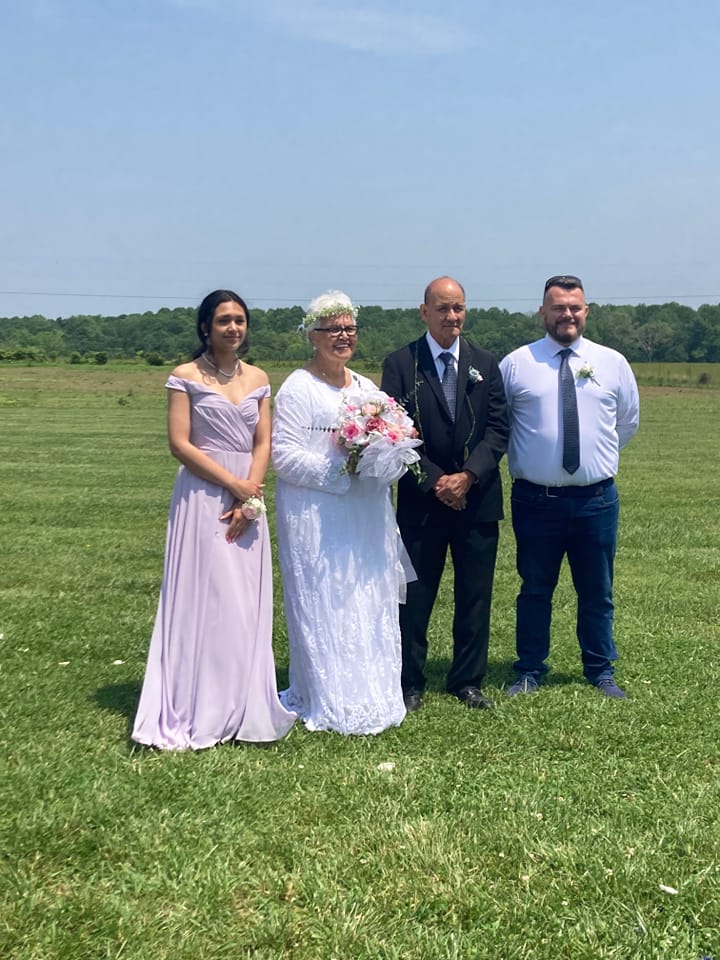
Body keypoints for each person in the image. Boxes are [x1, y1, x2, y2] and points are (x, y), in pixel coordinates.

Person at [132, 289, 295, 749]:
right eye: (223, 320)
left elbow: (263, 442)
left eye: (240, 320)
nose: (233, 328)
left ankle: (242, 703)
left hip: (249, 498)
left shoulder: (260, 378)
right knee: (205, 598)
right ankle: (196, 702)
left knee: (243, 602)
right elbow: (180, 444)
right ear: (206, 326)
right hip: (203, 498)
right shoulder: (185, 376)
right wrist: (234, 485)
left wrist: (251, 492)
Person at [272, 290, 410, 735]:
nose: (343, 337)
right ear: (313, 336)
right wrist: (341, 467)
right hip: (316, 513)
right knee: (325, 598)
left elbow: (388, 447)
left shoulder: (368, 389)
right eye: (333, 330)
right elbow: (283, 456)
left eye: (349, 329)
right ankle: (328, 694)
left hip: (366, 514)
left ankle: (372, 691)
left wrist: (386, 454)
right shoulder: (297, 388)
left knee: (366, 598)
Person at [499, 275, 640, 698]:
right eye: (558, 307)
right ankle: (528, 670)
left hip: (596, 500)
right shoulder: (516, 364)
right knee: (535, 588)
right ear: (542, 312)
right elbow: (499, 425)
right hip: (535, 500)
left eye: (574, 307)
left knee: (597, 590)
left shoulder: (612, 362)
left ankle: (600, 670)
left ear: (586, 310)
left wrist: (592, 463)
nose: (567, 315)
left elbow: (626, 423)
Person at [381, 276, 509, 712]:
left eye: (458, 308)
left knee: (475, 595)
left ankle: (467, 680)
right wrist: (437, 480)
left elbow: (498, 430)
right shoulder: (401, 363)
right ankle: (410, 682)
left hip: (478, 499)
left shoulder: (487, 363)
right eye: (442, 309)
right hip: (422, 502)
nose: (451, 317)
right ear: (424, 312)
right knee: (415, 597)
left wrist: (468, 477)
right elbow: (393, 433)